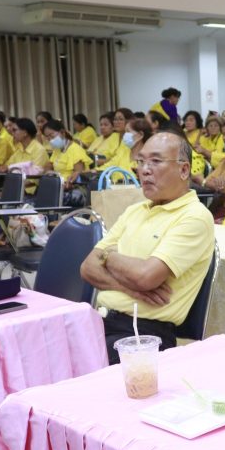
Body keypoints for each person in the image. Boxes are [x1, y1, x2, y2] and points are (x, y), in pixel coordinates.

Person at [81, 132, 214, 364]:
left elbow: (145, 277)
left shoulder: (194, 217)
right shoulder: (135, 210)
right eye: (141, 161)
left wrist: (108, 256)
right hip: (100, 320)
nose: (144, 170)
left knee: (69, 371)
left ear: (184, 170)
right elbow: (87, 268)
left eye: (155, 161)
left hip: (142, 333)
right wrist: (130, 290)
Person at [42, 119, 92, 187]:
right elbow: (48, 165)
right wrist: (49, 172)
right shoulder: (57, 150)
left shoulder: (75, 149)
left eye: (52, 136)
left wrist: (66, 184)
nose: (50, 140)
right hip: (58, 184)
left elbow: (78, 175)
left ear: (62, 132)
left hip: (72, 187)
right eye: (48, 138)